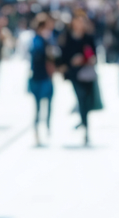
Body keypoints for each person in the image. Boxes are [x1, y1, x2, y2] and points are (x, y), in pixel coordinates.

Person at [58, 11, 100, 146]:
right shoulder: (68, 38)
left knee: (87, 101)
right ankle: (84, 125)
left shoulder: (88, 37)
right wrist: (72, 61)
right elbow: (63, 56)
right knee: (81, 98)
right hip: (75, 74)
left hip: (87, 74)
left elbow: (95, 55)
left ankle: (84, 122)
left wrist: (87, 59)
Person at [28, 14, 57, 146]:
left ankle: (46, 128)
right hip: (40, 77)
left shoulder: (46, 40)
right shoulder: (38, 40)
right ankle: (39, 131)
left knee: (46, 105)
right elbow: (37, 56)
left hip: (45, 76)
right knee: (39, 107)